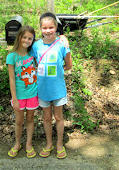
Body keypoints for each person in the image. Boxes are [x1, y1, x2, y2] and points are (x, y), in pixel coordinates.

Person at [31, 12, 72, 159]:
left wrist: (58, 72)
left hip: (58, 89)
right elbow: (34, 63)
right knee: (47, 118)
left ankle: (60, 144)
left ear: (56, 27)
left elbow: (69, 65)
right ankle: (49, 144)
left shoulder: (62, 44)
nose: (48, 31)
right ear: (40, 28)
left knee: (59, 118)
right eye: (44, 28)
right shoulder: (36, 46)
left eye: (51, 27)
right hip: (43, 89)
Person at [6, 25, 38, 158]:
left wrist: (63, 37)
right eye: (24, 37)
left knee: (30, 120)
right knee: (19, 121)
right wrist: (14, 99)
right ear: (19, 37)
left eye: (30, 38)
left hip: (32, 94)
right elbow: (12, 79)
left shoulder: (33, 54)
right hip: (19, 96)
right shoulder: (12, 57)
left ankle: (28, 144)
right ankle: (17, 143)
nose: (27, 40)